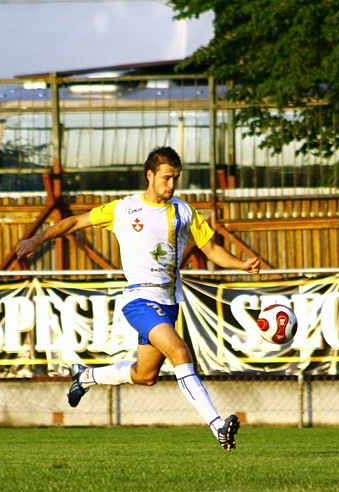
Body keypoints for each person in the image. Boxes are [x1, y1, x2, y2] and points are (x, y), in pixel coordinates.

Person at [15, 146, 261, 451]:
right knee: (180, 354)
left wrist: (241, 264)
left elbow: (211, 249)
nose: (172, 185)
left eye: (176, 179)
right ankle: (217, 426)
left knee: (144, 375)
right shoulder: (124, 209)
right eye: (167, 178)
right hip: (139, 300)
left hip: (169, 304)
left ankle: (87, 376)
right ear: (150, 175)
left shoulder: (184, 212)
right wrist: (37, 239)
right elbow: (74, 223)